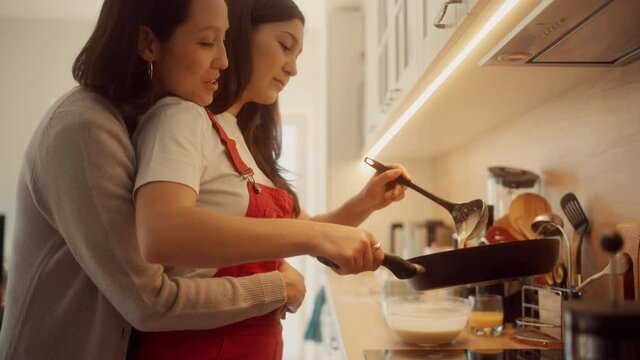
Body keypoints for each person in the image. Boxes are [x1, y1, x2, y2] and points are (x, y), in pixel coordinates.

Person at [0, 1, 314, 359]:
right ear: (148, 44)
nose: (225, 61)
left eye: (225, 40)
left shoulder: (140, 123)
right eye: (207, 42)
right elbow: (149, 300)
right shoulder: (84, 129)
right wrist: (275, 287)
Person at [129, 0, 410, 359]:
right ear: (241, 36)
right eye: (284, 45)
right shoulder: (181, 118)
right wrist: (318, 236)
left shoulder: (237, 137)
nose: (292, 68)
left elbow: (305, 234)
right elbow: (162, 231)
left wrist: (366, 202)